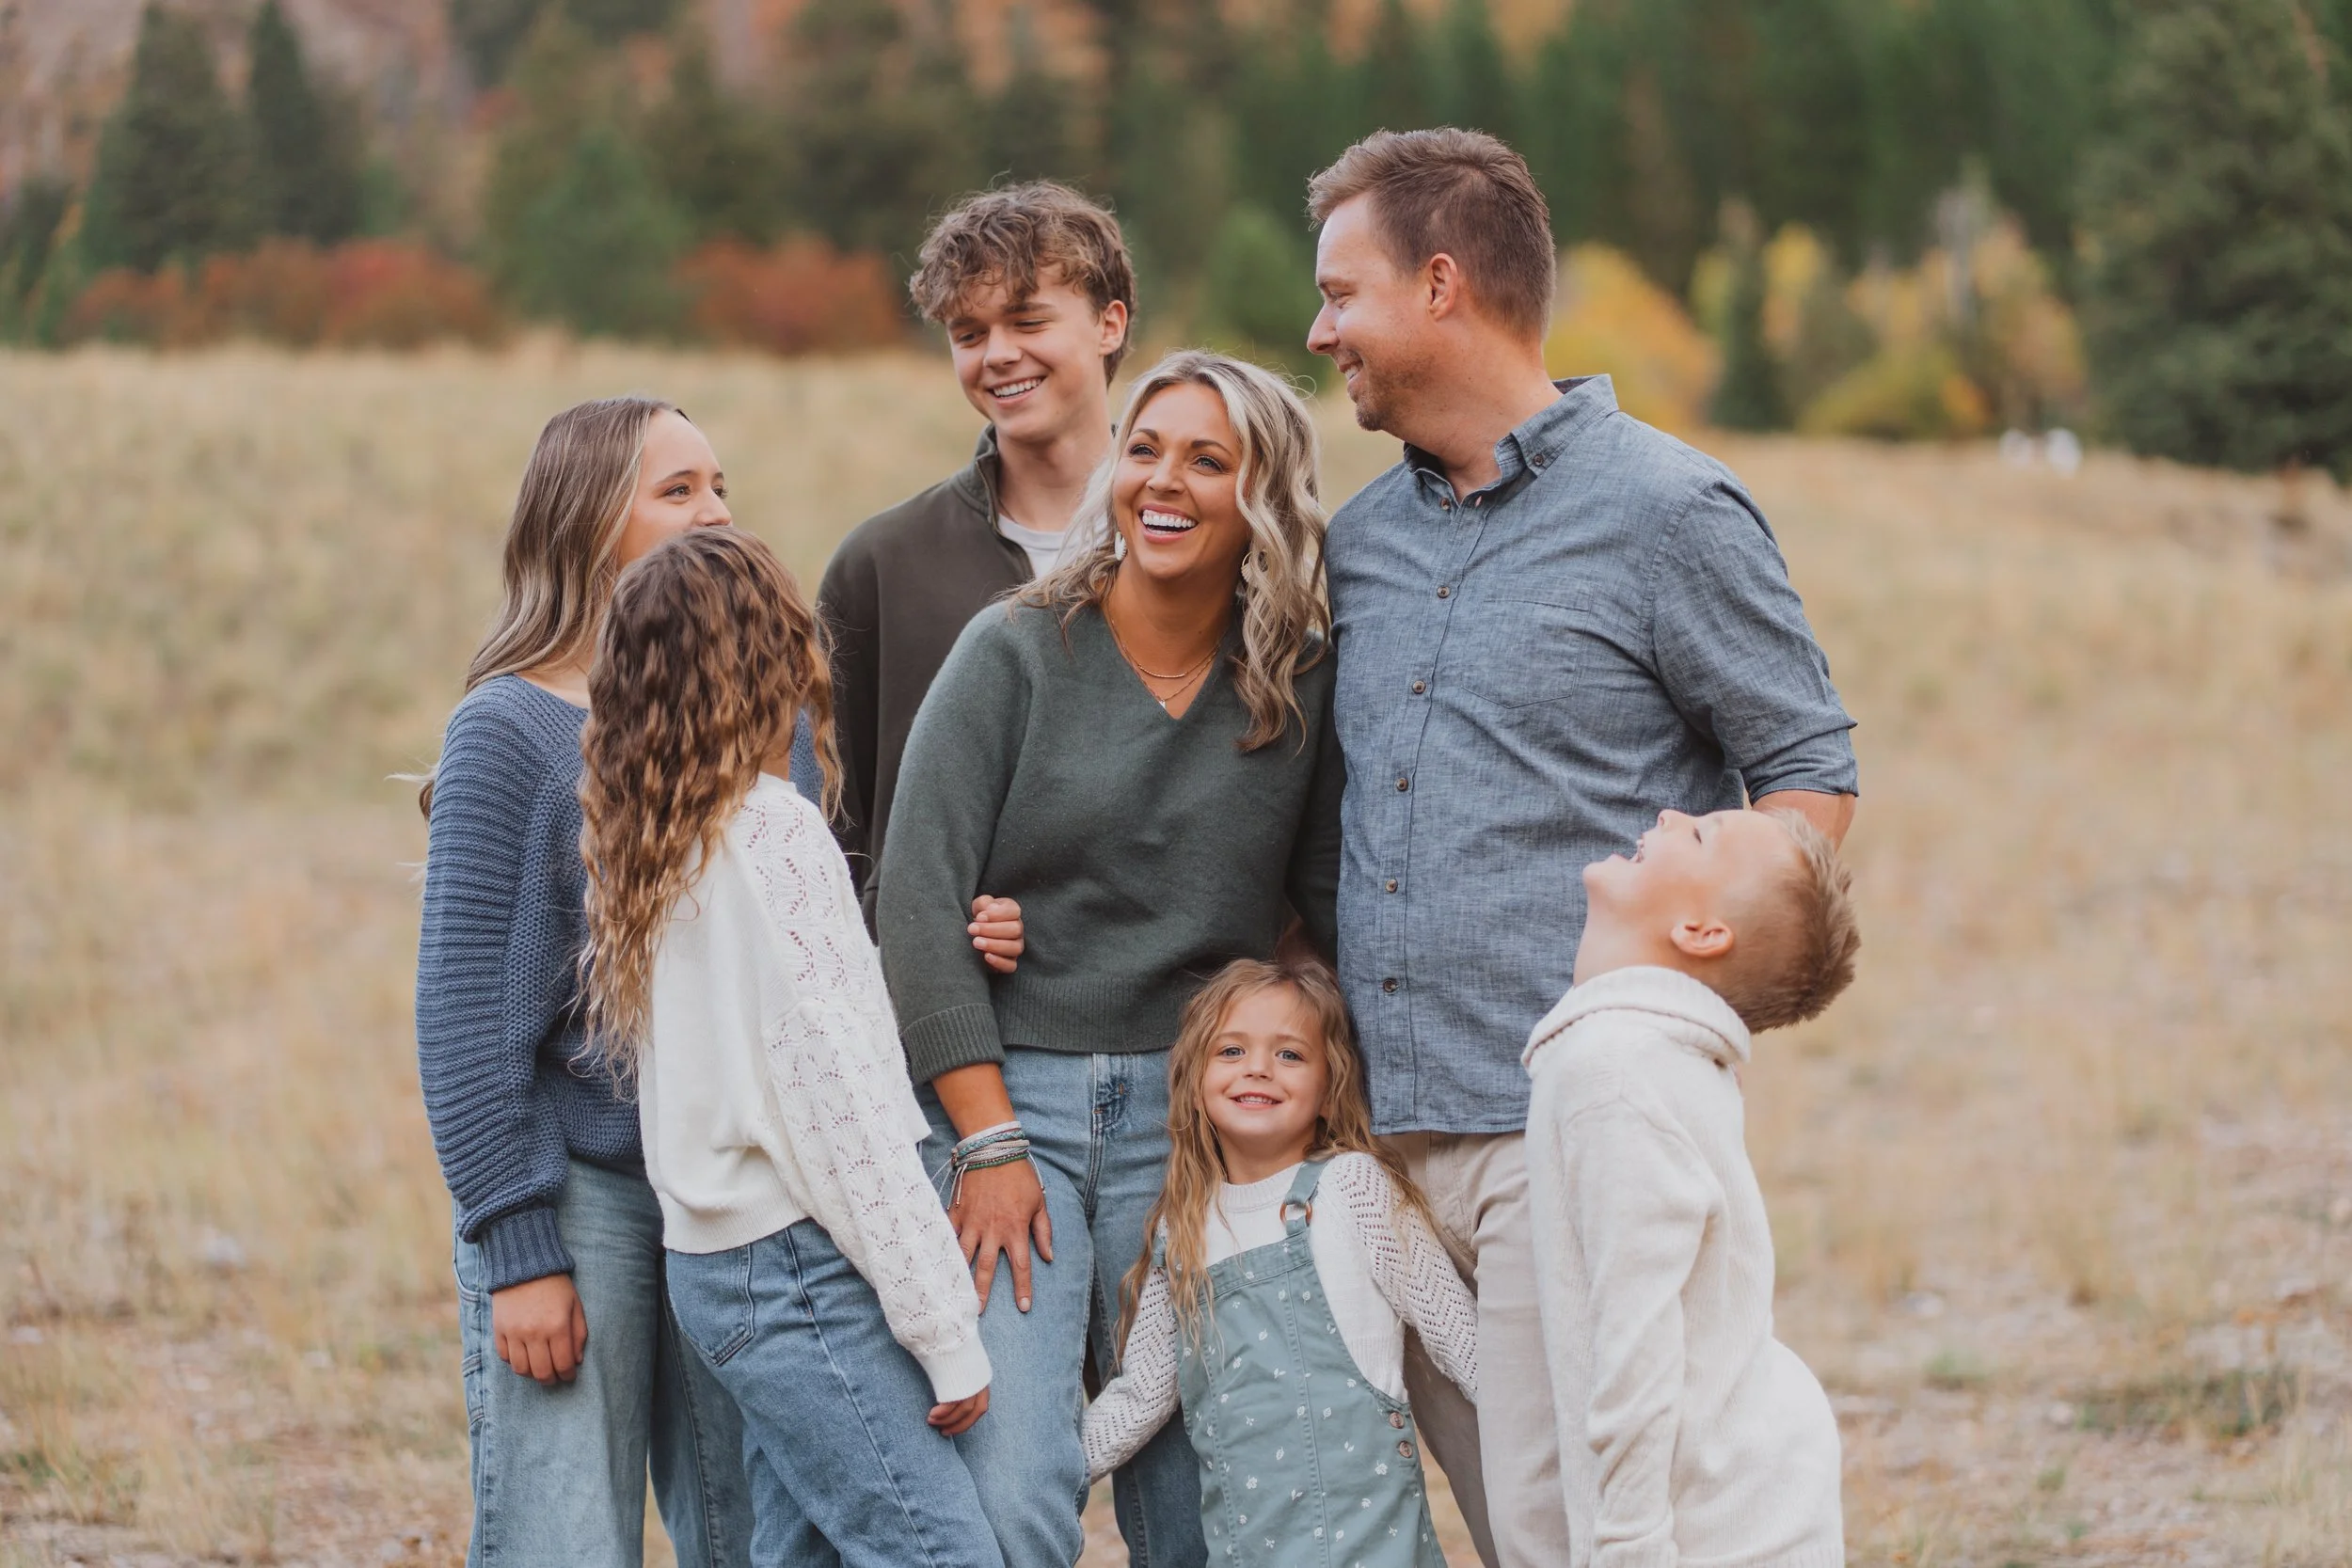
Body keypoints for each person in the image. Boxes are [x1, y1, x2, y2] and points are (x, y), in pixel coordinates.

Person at [1303, 128, 1860, 1568]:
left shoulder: (1670, 513)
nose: (1320, 331)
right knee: (1512, 1530)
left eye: (1341, 293)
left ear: (1440, 285)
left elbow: (1808, 775)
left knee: (1593, 1524)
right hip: (1382, 1133)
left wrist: (1667, 1026)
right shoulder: (1356, 544)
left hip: (1564, 1133)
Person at [876, 351, 1344, 1568]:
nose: (1162, 480)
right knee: (1013, 1491)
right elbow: (916, 900)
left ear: (1263, 498)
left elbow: (1326, 916)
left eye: (1206, 459)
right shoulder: (1014, 651)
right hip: (1008, 1101)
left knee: (1199, 1502)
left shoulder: (1295, 683)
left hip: (1196, 1123)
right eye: (1144, 449)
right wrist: (987, 1143)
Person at [575, 528, 1005, 1568]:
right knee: (940, 1550)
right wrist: (943, 1328)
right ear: (776, 662)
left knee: (799, 1550)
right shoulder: (774, 833)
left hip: (714, 1271)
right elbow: (842, 1106)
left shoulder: (656, 844)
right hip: (797, 1268)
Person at [414, 397, 753, 1568]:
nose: (716, 513)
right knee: (563, 1540)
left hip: (741, 1194)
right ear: (589, 521)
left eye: (720, 486)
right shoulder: (508, 728)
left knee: (757, 1534)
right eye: (679, 490)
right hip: (581, 1195)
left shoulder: (763, 719)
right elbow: (465, 1019)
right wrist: (519, 1247)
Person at [1520, 808, 1858, 1568]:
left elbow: (1637, 1342)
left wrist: (1628, 1548)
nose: (1672, 813)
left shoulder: (1615, 1069)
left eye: (1701, 835)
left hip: (1721, 1527)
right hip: (1738, 1494)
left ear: (1701, 932)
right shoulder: (1642, 1053)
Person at [1083, 958, 1480, 1568]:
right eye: (1232, 1050)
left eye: (1290, 1054)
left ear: (1330, 1088)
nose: (1259, 1067)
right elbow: (1140, 1395)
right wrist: (1045, 1475)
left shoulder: (1352, 1188)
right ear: (1193, 1078)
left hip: (1374, 1549)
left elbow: (1459, 1338)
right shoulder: (1183, 1227)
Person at [818, 182, 1136, 922]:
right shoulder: (881, 566)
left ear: (1109, 324)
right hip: (926, 981)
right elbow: (834, 825)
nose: (998, 355)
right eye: (968, 334)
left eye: (1028, 321)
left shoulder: (1200, 539)